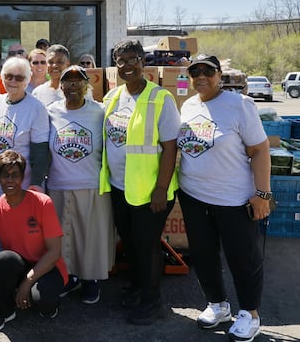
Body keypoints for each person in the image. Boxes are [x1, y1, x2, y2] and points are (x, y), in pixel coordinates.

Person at [176, 54, 272, 342]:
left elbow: (260, 150)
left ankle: (250, 314)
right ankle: (217, 305)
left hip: (233, 200)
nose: (201, 77)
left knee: (243, 259)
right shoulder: (189, 106)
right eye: (195, 72)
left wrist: (262, 194)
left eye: (208, 71)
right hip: (193, 196)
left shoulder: (239, 105)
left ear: (219, 75)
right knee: (203, 255)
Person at [100, 39, 181, 325]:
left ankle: (152, 301)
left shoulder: (161, 99)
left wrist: (161, 189)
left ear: (143, 61)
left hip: (150, 192)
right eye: (120, 61)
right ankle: (137, 289)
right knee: (131, 244)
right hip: (120, 187)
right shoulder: (112, 98)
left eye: (132, 59)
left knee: (147, 247)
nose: (127, 65)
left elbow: (170, 148)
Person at [45, 66, 115, 305]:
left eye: (78, 81)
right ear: (61, 86)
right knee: (64, 238)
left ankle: (91, 279)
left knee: (90, 237)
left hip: (91, 184)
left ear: (87, 85)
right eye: (68, 81)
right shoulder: (51, 111)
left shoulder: (99, 112)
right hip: (59, 184)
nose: (73, 85)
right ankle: (70, 277)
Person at [0, 150, 68, 333]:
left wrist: (27, 283)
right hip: (17, 266)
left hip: (47, 267)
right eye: (5, 175)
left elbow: (54, 252)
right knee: (4, 259)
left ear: (23, 177)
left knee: (44, 303)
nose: (10, 180)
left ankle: (30, 294)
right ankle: (3, 311)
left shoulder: (42, 203)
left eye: (15, 175)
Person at [0, 57, 50, 202]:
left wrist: (36, 182)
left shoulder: (36, 108)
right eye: (9, 76)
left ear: (27, 81)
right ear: (2, 78)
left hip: (20, 186)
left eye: (19, 78)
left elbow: (40, 151)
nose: (13, 81)